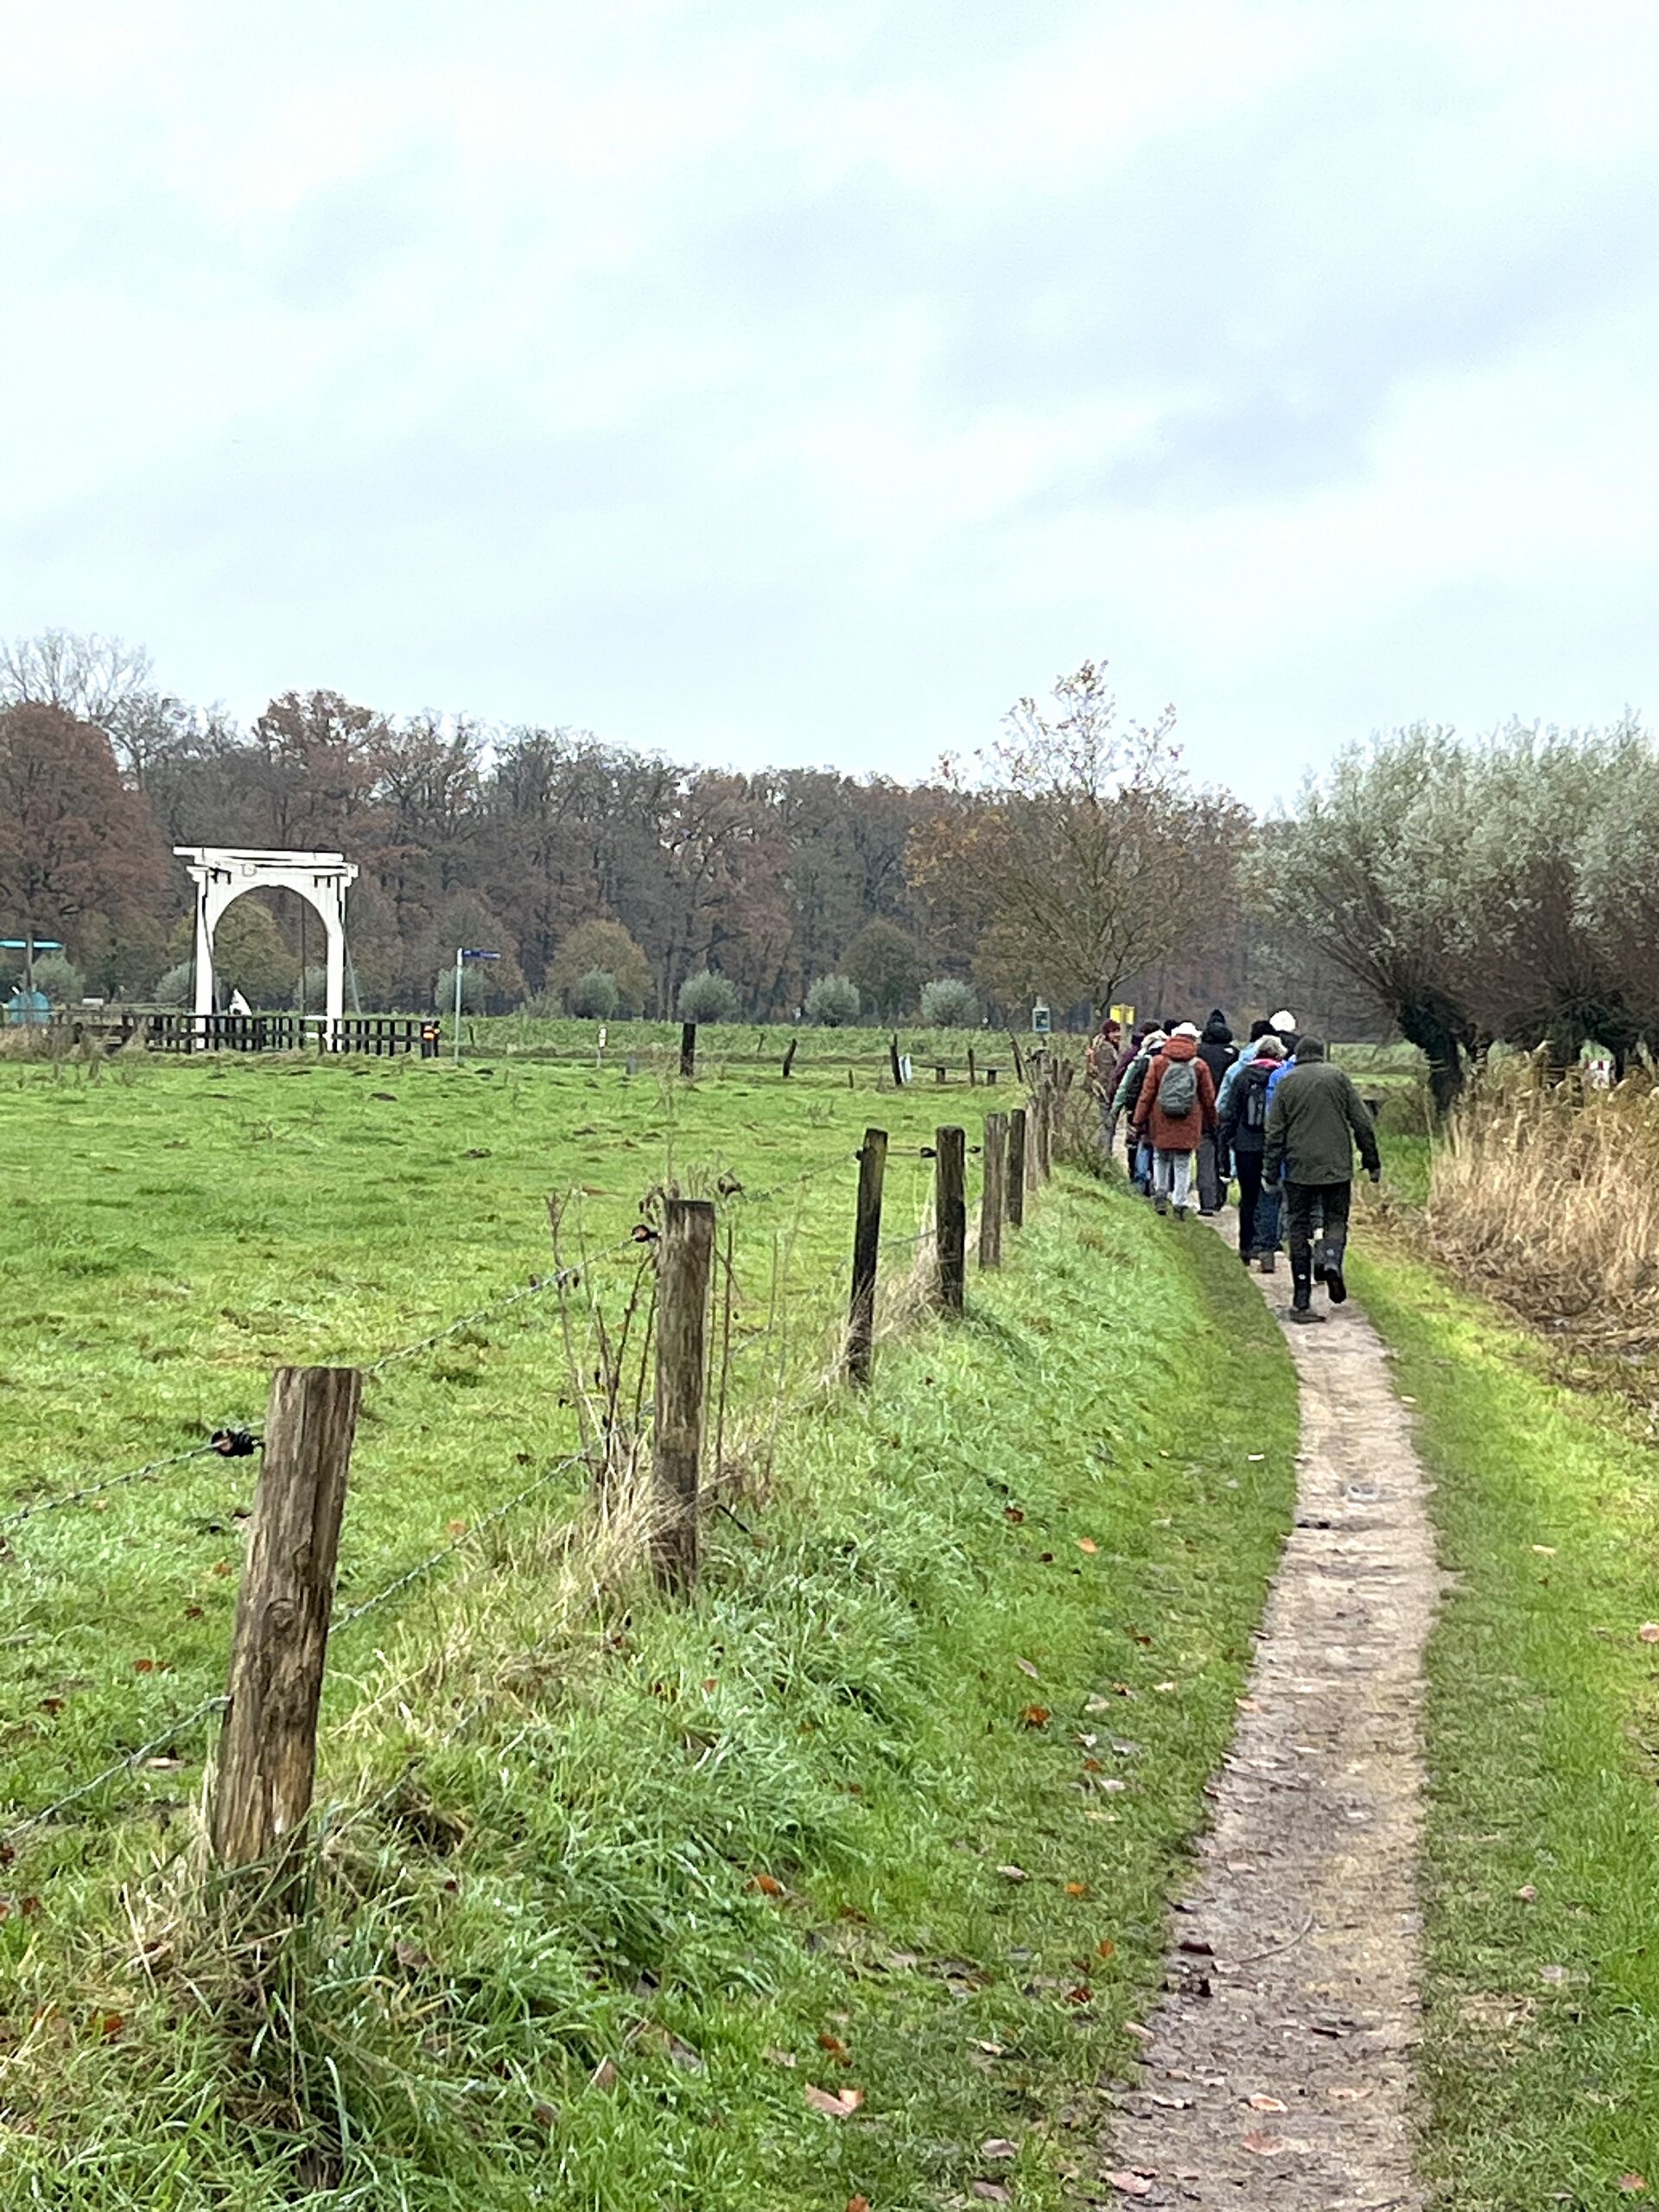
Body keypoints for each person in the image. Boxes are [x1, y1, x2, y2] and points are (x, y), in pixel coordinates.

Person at [1262, 1036, 1382, 1321]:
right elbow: (1362, 1122)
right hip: (1336, 1167)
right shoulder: (1338, 1077)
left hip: (1299, 1167)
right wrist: (1371, 1160)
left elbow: (1275, 1133)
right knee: (1336, 1219)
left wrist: (1270, 1170)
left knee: (1298, 1227)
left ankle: (1302, 1300)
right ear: (1322, 1054)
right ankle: (1330, 1258)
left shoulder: (1286, 1082)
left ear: (1297, 1055)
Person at [1133, 1021, 1217, 1220]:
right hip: (1188, 1120)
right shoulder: (1199, 1066)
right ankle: (1179, 1203)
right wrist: (1212, 1120)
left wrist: (1138, 1119)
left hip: (1161, 1118)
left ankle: (1160, 1195)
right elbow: (1208, 1097)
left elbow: (1148, 1093)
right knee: (1182, 1162)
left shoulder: (1159, 1062)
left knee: (1160, 1157)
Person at [1217, 1034, 1284, 1268]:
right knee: (1270, 1196)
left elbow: (1230, 1113)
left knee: (1248, 1197)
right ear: (1278, 1054)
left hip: (1246, 1145)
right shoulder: (1281, 1078)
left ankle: (1245, 1247)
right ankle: (1266, 1249)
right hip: (1272, 1146)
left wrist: (1226, 1144)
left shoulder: (1243, 1076)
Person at [1112, 1029, 1166, 1195]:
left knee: (1142, 1145)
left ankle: (1139, 1181)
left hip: (1138, 1109)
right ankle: (1158, 1185)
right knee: (1157, 1149)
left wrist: (1117, 1107)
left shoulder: (1140, 1062)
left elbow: (1126, 1085)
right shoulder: (1168, 1063)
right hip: (1162, 1111)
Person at [1196, 1010, 1236, 1215]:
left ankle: (1207, 1200)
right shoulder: (1233, 1054)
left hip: (1203, 1111)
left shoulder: (1199, 1052)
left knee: (1205, 1154)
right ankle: (1222, 1195)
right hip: (1228, 1113)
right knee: (1224, 1154)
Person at [1085, 1014, 1123, 1151]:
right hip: (1106, 1091)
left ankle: (1103, 1152)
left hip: (1101, 1090)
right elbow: (1108, 1074)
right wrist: (1113, 1092)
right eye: (1114, 1031)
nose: (1118, 1034)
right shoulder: (1106, 1049)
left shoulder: (1101, 1046)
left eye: (1118, 1031)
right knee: (1108, 1124)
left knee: (1107, 1123)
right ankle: (1104, 1154)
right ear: (1107, 1033)